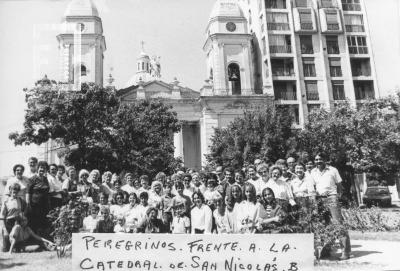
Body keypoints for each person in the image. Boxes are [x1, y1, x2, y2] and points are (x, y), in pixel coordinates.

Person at [310, 153, 351, 260]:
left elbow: (340, 185)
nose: (318, 161)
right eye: (316, 159)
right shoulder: (313, 172)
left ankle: (346, 252)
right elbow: (312, 186)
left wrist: (338, 196)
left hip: (332, 197)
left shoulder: (333, 170)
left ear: (325, 160)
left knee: (338, 224)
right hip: (320, 199)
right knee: (324, 225)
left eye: (320, 159)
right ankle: (326, 251)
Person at [1, 183, 27, 252]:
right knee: (4, 248)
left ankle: (18, 246)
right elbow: (2, 215)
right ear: (10, 191)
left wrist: (23, 218)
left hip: (18, 221)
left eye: (17, 191)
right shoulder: (6, 201)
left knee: (18, 247)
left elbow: (24, 210)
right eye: (13, 191)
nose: (15, 193)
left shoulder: (21, 200)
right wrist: (4, 228)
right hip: (8, 223)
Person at [28, 161, 50, 235]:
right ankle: (34, 237)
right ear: (37, 168)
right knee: (35, 219)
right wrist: (28, 203)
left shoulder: (45, 178)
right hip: (35, 203)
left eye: (44, 168)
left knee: (43, 219)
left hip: (44, 203)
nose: (42, 169)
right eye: (41, 167)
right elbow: (28, 191)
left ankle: (42, 237)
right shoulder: (32, 178)